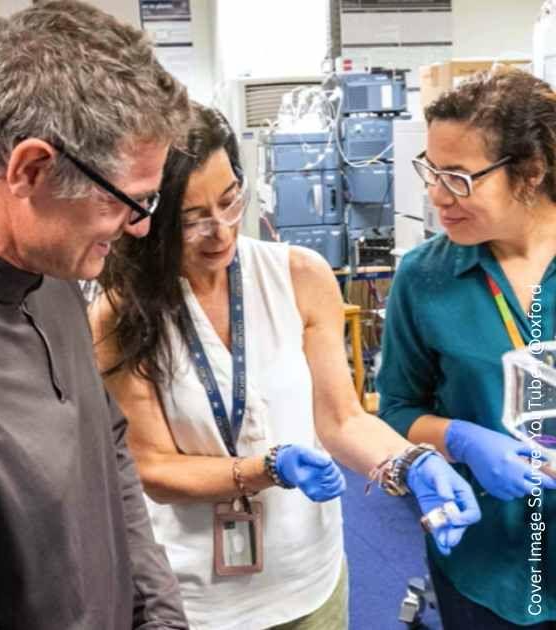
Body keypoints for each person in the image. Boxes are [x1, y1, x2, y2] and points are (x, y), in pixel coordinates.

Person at [89, 103, 479, 630]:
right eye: (191, 218)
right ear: (150, 216)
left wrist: (410, 462)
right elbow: (154, 467)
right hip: (196, 595)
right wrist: (266, 469)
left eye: (229, 202)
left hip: (307, 575)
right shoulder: (122, 313)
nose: (220, 231)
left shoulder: (298, 275)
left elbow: (342, 419)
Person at [0, 2, 190, 628]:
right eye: (128, 201)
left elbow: (106, 444)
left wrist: (160, 615)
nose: (141, 227)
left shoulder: (55, 274)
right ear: (31, 169)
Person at [379, 66, 556, 628]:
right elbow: (398, 410)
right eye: (431, 172)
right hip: (485, 564)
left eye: (457, 177)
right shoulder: (425, 277)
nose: (436, 197)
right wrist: (460, 437)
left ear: (529, 172)